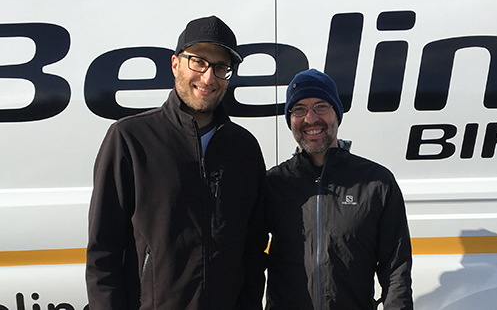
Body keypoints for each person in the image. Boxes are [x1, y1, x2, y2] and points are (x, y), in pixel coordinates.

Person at [86, 16, 267, 310]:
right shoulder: (131, 139)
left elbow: (254, 248)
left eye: (220, 67)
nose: (208, 78)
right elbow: (102, 251)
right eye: (198, 61)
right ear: (175, 64)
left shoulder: (244, 148)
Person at [265, 68, 413, 310]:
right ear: (290, 119)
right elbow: (247, 259)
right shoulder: (273, 184)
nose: (310, 119)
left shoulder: (376, 182)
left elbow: (396, 269)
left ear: (336, 113)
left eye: (321, 106)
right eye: (299, 109)